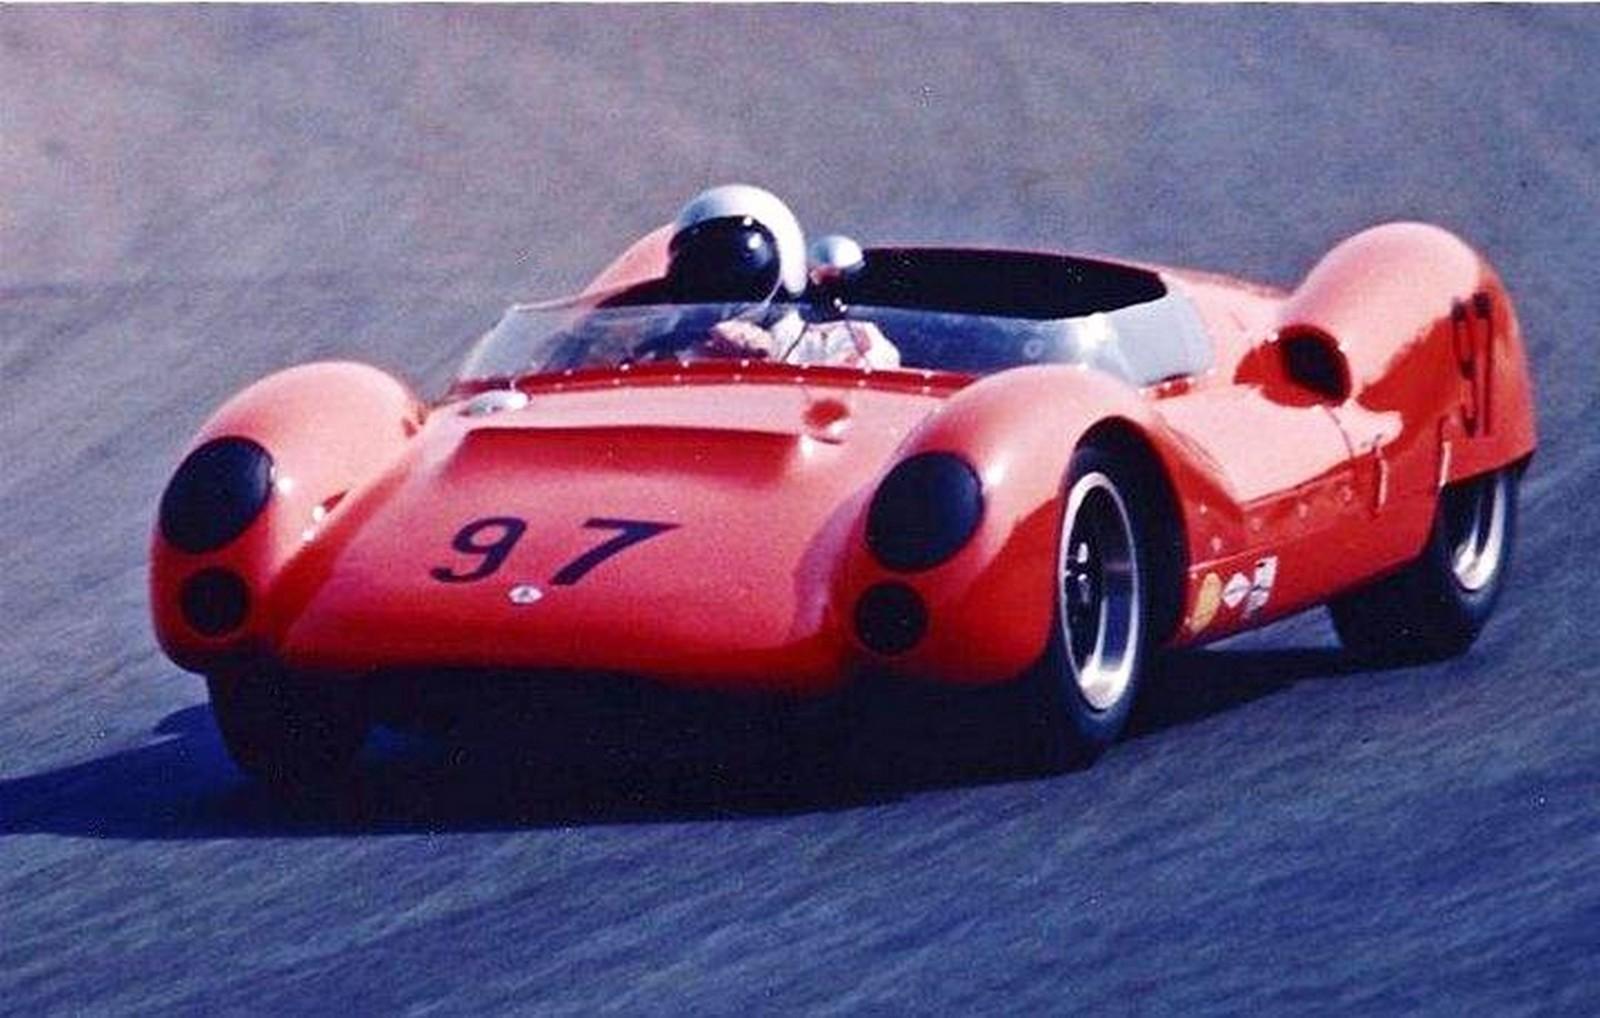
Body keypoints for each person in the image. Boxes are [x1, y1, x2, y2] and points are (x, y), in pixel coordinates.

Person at [662, 186, 899, 369]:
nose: (717, 280)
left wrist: (769, 360)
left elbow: (856, 405)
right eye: (700, 270)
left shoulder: (850, 339)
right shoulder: (673, 361)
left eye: (734, 264)